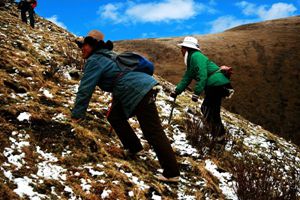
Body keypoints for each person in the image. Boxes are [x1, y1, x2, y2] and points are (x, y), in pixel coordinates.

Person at [71, 30, 180, 183]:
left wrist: (76, 116)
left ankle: (172, 173)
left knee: (152, 131)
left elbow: (85, 89)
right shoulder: (109, 55)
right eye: (80, 45)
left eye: (85, 45)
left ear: (93, 46)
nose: (81, 48)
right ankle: (134, 147)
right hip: (138, 86)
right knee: (115, 116)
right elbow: (120, 77)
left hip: (137, 90)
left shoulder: (95, 60)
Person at [171, 36, 233, 143]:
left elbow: (202, 75)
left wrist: (196, 93)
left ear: (186, 48)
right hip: (216, 84)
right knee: (210, 110)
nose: (181, 50)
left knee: (207, 109)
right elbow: (187, 78)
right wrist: (176, 91)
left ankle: (219, 136)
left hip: (216, 84)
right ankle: (219, 136)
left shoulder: (196, 56)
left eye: (182, 48)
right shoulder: (192, 60)